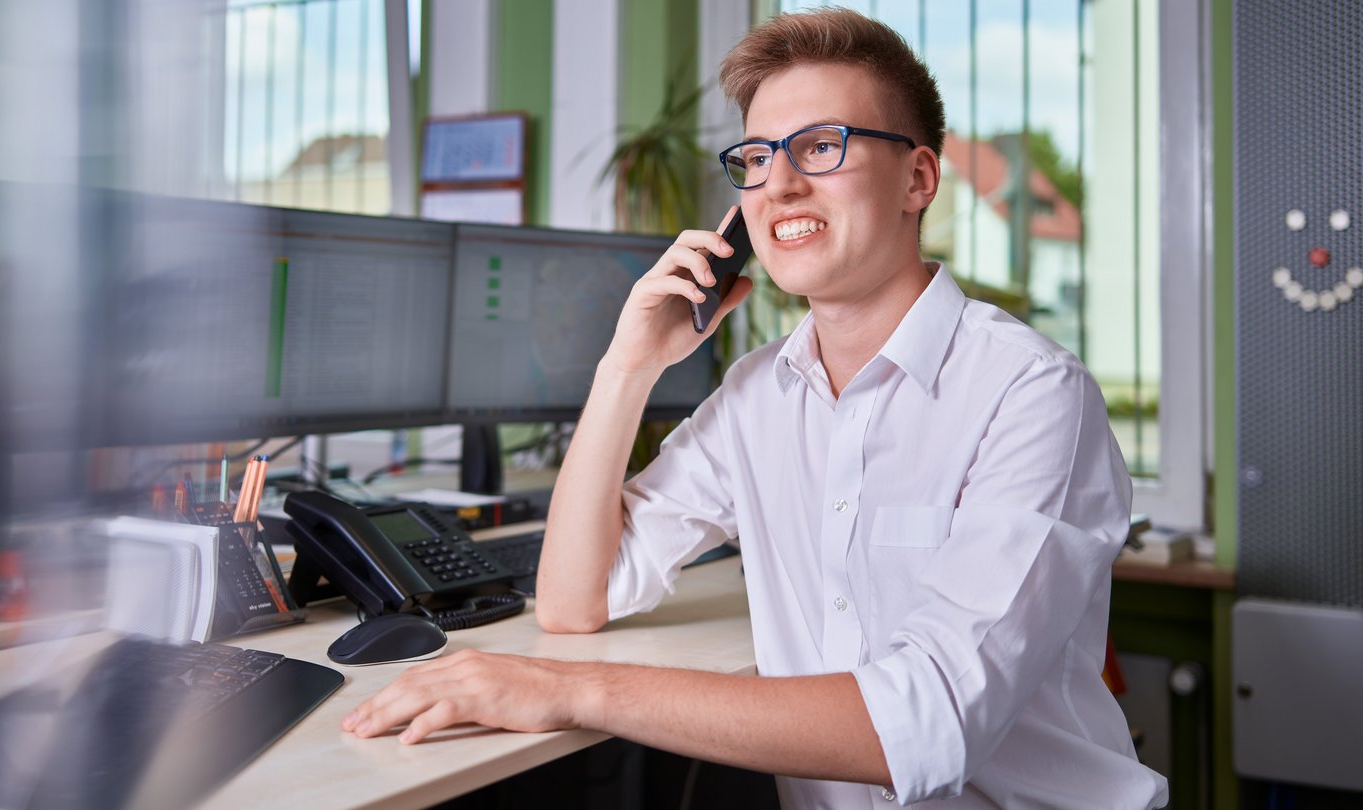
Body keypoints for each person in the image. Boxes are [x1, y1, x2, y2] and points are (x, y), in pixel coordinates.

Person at [343, 8, 1168, 808]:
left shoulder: (1028, 393)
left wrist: (570, 690)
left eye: (821, 146)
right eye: (758, 156)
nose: (780, 183)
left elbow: (924, 723)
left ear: (918, 178)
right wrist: (627, 365)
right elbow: (572, 599)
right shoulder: (755, 396)